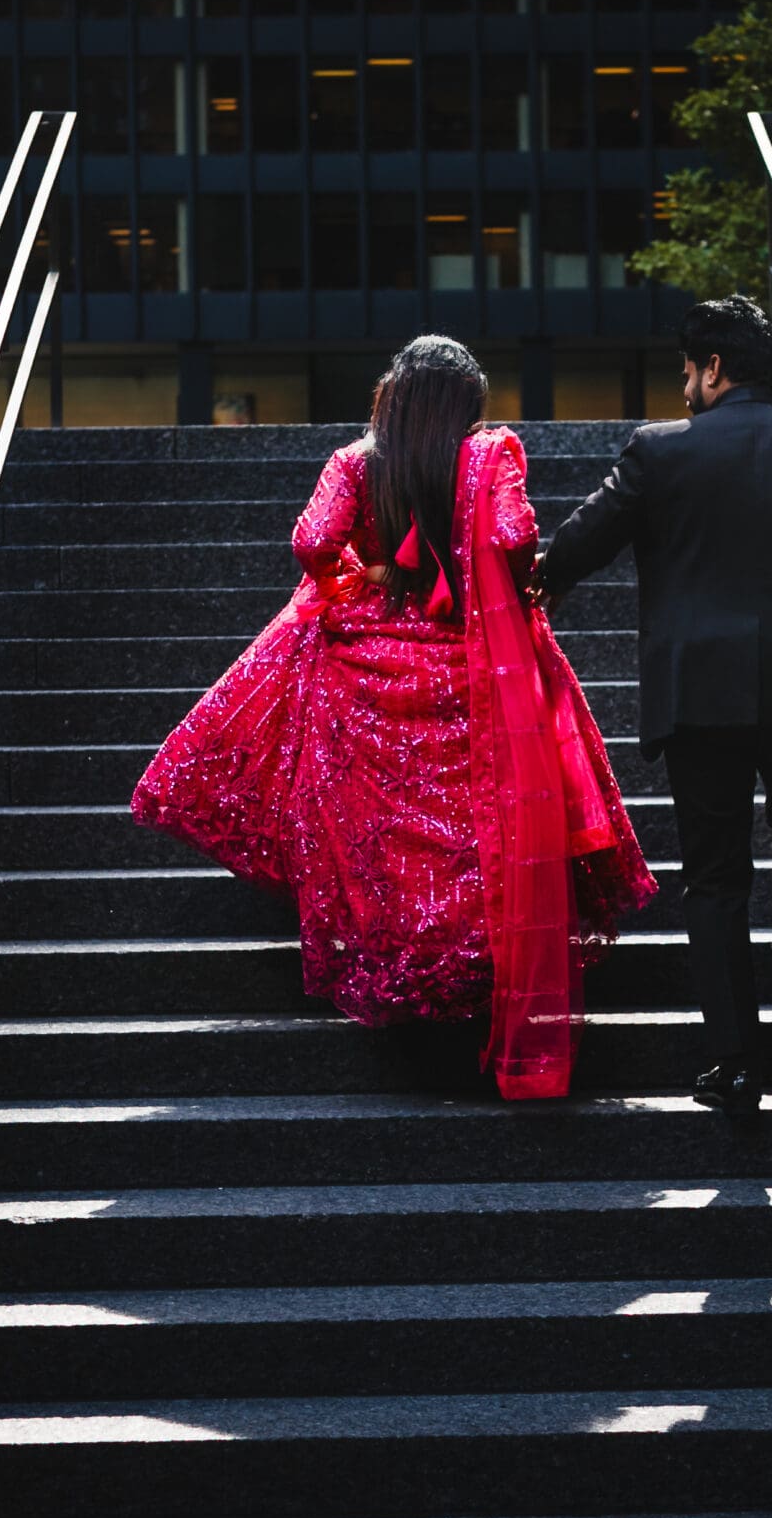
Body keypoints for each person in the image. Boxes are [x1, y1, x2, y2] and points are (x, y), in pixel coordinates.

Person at [133, 336, 655, 1100]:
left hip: (365, 657)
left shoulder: (355, 462)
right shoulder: (487, 459)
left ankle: (400, 966)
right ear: (463, 407)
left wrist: (365, 573)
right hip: (463, 659)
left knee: (378, 833)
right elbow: (514, 537)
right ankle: (478, 962)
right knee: (475, 822)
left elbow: (312, 542)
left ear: (394, 394)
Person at [537, 295, 772, 1115]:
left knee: (713, 878)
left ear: (713, 370)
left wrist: (537, 584)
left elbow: (580, 542)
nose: (687, 388)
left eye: (689, 373)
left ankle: (736, 1064)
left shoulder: (661, 452)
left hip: (699, 694)